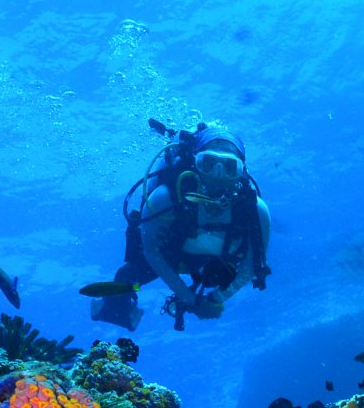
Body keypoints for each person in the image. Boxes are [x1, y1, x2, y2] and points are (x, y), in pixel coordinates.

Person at [92, 122, 272, 330]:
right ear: (195, 164)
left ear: (241, 172)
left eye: (230, 167)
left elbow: (253, 263)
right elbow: (151, 250)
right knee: (125, 280)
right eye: (209, 163)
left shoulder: (256, 210)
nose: (218, 175)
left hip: (215, 265)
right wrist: (188, 298)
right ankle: (108, 310)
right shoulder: (165, 199)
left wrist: (217, 298)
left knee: (220, 276)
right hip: (170, 256)